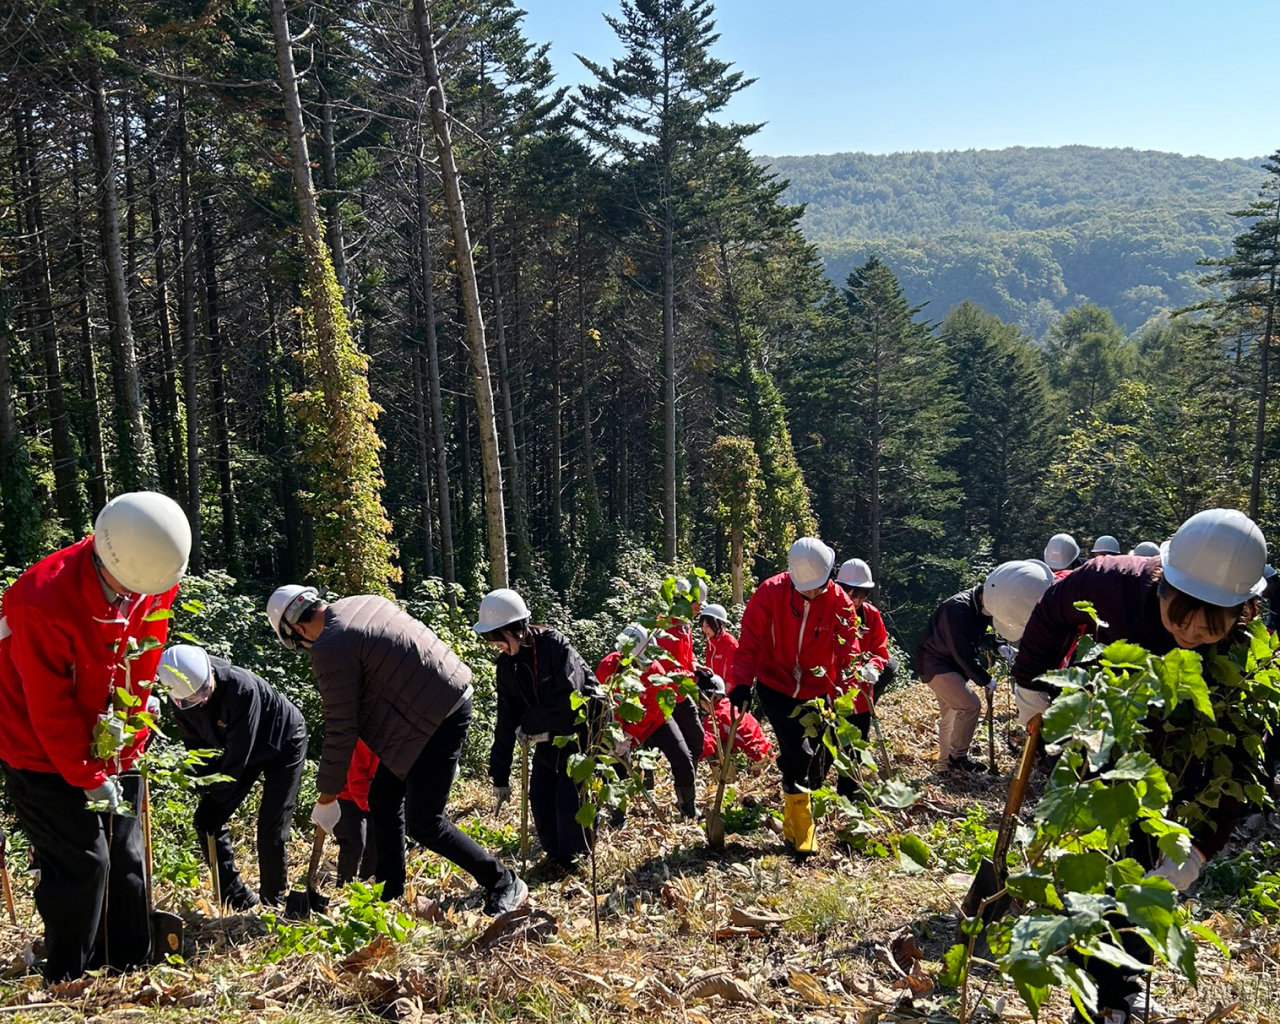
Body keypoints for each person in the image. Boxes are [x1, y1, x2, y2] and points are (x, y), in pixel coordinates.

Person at [1011, 510, 1269, 1023]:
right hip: (1102, 732)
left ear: (1241, 610)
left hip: (1173, 762)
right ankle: (1089, 986)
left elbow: (1241, 766)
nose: (1192, 634)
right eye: (1181, 618)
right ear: (1164, 585)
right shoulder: (1112, 583)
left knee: (1146, 870)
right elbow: (1053, 609)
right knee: (1094, 858)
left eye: (1211, 627)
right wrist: (1031, 683)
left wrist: (1199, 849)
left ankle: (1123, 987)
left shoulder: (1240, 661)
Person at [0, 491, 190, 982]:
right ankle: (69, 979)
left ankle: (127, 968)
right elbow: (48, 706)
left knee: (125, 858)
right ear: (107, 559)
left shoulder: (151, 574)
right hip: (35, 746)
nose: (136, 598)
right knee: (84, 862)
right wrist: (86, 774)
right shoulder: (41, 600)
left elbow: (145, 648)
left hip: (107, 736)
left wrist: (135, 721)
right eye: (128, 591)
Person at [266, 585, 527, 915]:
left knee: (425, 822)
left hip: (439, 714)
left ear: (298, 631)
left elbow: (342, 727)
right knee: (383, 798)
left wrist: (327, 796)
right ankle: (389, 891)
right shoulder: (359, 601)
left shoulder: (329, 646)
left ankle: (503, 881)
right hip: (428, 707)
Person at [731, 537, 861, 853]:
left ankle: (791, 818)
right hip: (775, 685)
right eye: (807, 590)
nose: (814, 594)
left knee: (812, 757)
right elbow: (749, 641)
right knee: (799, 753)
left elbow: (849, 651)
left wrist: (847, 693)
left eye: (819, 587)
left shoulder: (840, 603)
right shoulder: (770, 593)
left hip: (817, 692)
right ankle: (803, 831)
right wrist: (741, 684)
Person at [160, 644, 307, 910]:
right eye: (193, 698)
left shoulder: (241, 689)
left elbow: (238, 757)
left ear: (210, 671)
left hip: (283, 743)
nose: (203, 699)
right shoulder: (181, 696)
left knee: (271, 827)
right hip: (241, 750)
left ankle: (273, 902)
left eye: (204, 690)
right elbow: (197, 749)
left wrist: (218, 796)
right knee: (206, 821)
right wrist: (206, 789)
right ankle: (236, 898)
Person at [475, 589, 606, 872]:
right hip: (547, 739)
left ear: (516, 629)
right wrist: (500, 775)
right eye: (492, 641)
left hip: (581, 734)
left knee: (569, 800)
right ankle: (555, 857)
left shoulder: (554, 645)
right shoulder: (506, 667)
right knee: (540, 796)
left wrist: (530, 723)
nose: (497, 646)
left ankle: (575, 862)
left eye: (499, 638)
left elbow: (570, 700)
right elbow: (506, 719)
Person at [914, 559, 1054, 774]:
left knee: (951, 715)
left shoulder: (980, 606)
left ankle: (944, 766)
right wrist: (985, 680)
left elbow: (977, 638)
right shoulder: (958, 609)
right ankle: (957, 758)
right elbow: (962, 652)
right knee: (969, 706)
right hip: (935, 663)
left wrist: (999, 645)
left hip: (947, 663)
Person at [597, 625, 701, 820]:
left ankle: (689, 809)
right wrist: (618, 735)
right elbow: (607, 706)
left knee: (682, 757)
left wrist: (631, 735)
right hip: (620, 726)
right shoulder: (607, 668)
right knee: (617, 766)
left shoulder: (656, 672)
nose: (643, 668)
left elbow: (653, 710)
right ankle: (617, 816)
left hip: (655, 720)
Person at [834, 558, 899, 744]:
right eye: (853, 595)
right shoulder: (829, 612)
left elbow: (880, 648)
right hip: (834, 689)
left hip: (862, 691)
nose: (857, 601)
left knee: (859, 742)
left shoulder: (871, 614)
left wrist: (873, 666)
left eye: (862, 596)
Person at [696, 669, 771, 764]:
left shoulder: (716, 717)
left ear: (708, 697)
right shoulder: (733, 706)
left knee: (714, 748)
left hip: (752, 761)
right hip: (765, 755)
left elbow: (706, 746)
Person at [334, 740, 379, 886]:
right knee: (354, 842)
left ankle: (367, 883)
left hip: (373, 794)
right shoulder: (366, 739)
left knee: (377, 842)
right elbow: (355, 777)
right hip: (347, 795)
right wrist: (369, 804)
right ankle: (344, 885)